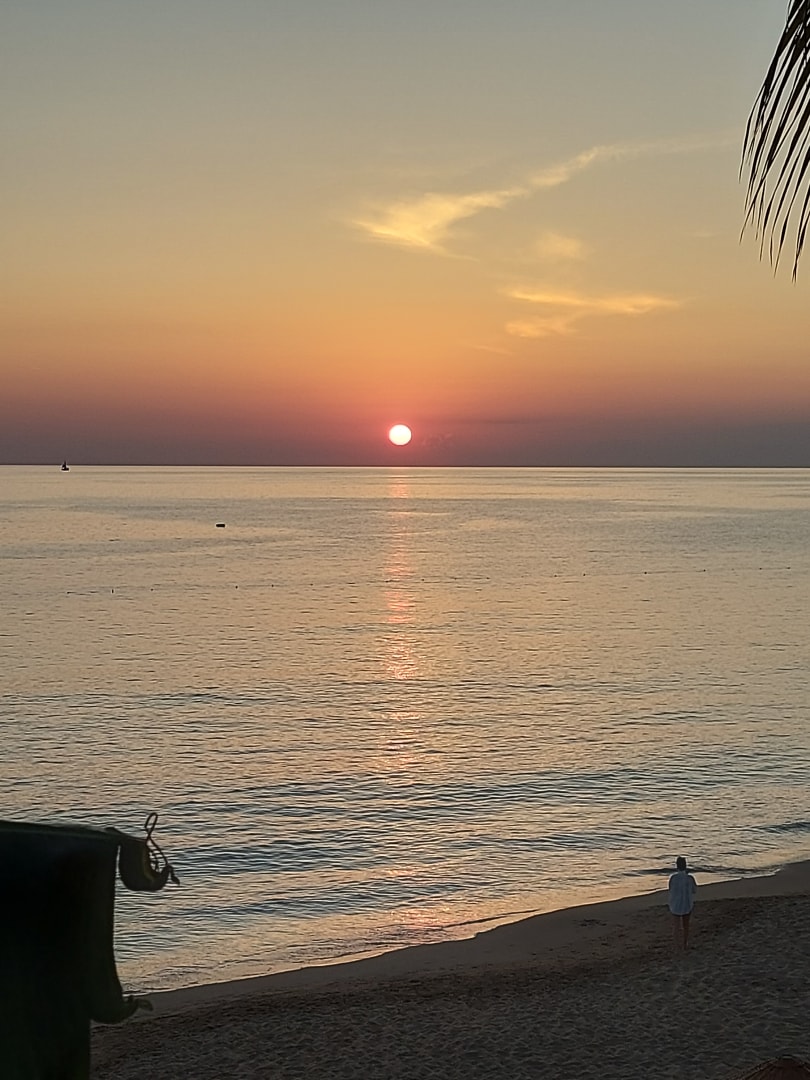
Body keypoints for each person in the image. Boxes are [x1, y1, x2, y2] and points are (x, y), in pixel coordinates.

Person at [668, 855, 697, 950]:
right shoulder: (690, 878)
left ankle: (676, 945)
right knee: (686, 925)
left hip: (675, 904)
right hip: (687, 903)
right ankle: (685, 944)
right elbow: (694, 890)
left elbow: (670, 889)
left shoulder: (673, 878)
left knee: (676, 926)